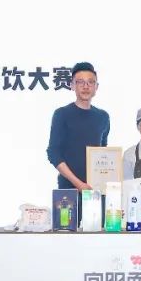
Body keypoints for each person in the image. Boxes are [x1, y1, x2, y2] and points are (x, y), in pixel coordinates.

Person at [46, 62, 111, 190]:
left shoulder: (103, 116)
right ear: (72, 85)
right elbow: (53, 153)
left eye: (90, 82)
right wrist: (78, 184)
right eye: (80, 82)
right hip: (68, 188)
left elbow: (102, 151)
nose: (86, 86)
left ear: (96, 87)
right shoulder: (62, 114)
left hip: (95, 188)